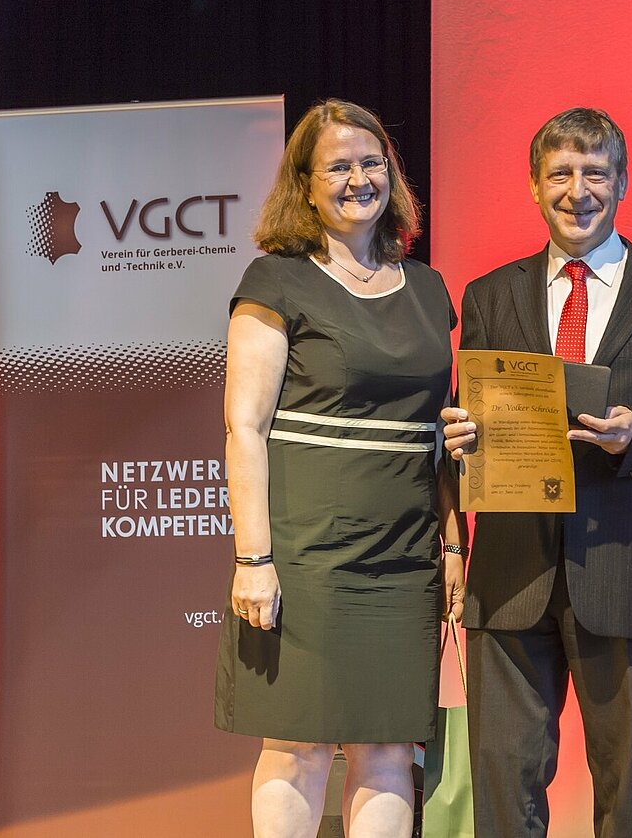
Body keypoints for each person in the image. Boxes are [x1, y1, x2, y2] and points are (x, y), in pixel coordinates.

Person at [440, 107, 632, 838]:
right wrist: (460, 434)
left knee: (628, 793)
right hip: (509, 573)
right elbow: (471, 411)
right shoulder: (488, 295)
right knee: (502, 788)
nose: (579, 192)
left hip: (629, 567)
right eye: (561, 174)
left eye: (596, 174)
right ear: (533, 186)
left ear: (623, 183)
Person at [214, 99, 466, 838]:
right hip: (307, 554)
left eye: (371, 162)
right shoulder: (277, 281)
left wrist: (454, 545)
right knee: (298, 746)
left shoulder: (428, 288)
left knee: (389, 746)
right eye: (338, 167)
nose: (360, 179)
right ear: (305, 184)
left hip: (405, 556)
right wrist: (253, 559)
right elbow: (244, 427)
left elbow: (437, 434)